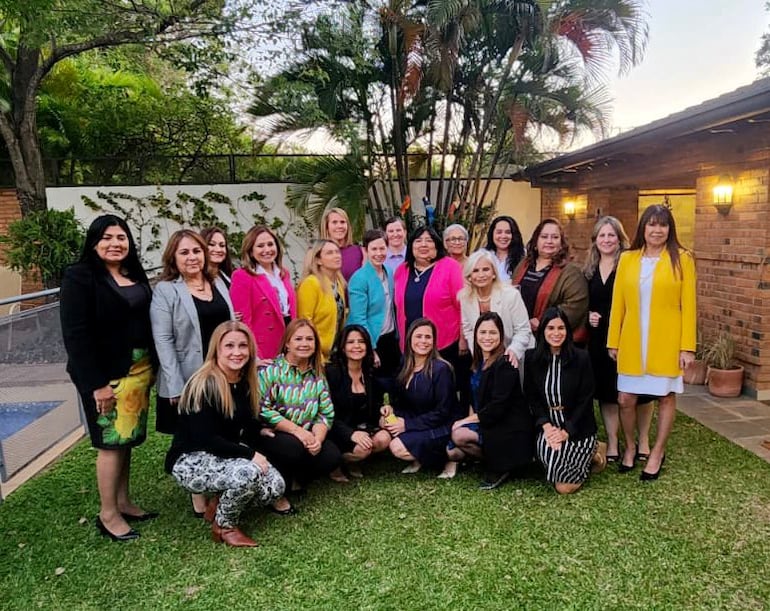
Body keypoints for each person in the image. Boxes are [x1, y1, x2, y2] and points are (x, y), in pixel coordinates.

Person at [60, 214, 157, 541]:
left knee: (126, 440)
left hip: (139, 371)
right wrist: (96, 384)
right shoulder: (80, 277)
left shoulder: (133, 274)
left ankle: (124, 501)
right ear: (94, 242)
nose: (115, 244)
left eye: (121, 238)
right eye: (107, 238)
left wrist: (152, 366)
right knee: (111, 444)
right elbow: (76, 335)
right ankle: (108, 513)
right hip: (107, 376)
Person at [165, 321, 285, 548]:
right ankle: (225, 525)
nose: (237, 352)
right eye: (229, 346)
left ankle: (220, 501)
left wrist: (259, 429)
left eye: (242, 345)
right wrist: (251, 454)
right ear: (217, 350)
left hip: (222, 455)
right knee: (250, 472)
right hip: (191, 459)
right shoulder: (204, 384)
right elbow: (206, 439)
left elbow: (244, 420)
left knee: (275, 486)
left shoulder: (244, 380)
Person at [607, 204, 697, 480]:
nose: (657, 230)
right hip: (632, 339)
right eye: (651, 224)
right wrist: (613, 340)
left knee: (665, 396)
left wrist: (687, 347)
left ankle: (657, 452)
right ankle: (631, 447)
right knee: (625, 398)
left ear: (670, 229)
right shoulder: (628, 259)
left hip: (666, 339)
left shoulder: (682, 259)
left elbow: (689, 305)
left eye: (663, 225)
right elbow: (617, 304)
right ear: (642, 228)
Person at [151, 230, 234, 517]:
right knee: (193, 435)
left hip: (222, 374)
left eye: (196, 251)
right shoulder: (166, 290)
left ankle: (218, 484)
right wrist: (175, 384)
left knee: (219, 429)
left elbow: (231, 325)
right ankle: (198, 496)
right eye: (184, 252)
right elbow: (163, 340)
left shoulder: (219, 283)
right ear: (173, 257)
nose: (192, 257)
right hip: (187, 377)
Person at [584, 216, 653, 464]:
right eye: (601, 235)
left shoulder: (632, 263)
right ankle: (613, 442)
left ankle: (642, 440)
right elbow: (585, 301)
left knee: (640, 391)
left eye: (611, 235)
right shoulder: (589, 269)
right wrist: (587, 315)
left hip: (629, 335)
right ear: (595, 240)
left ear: (620, 238)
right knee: (607, 391)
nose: (606, 240)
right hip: (599, 339)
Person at [445, 312, 535, 488]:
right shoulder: (477, 363)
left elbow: (497, 407)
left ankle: (502, 465)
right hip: (484, 421)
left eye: (492, 333)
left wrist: (464, 422)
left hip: (506, 427)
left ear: (501, 335)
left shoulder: (506, 363)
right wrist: (468, 422)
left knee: (459, 434)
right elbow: (473, 399)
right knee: (452, 452)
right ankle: (491, 458)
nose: (487, 337)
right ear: (476, 335)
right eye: (483, 332)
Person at [523, 307, 605, 494]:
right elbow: (532, 397)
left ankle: (593, 452)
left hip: (576, 427)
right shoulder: (532, 358)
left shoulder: (581, 358)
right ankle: (584, 456)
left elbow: (585, 401)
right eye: (550, 328)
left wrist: (566, 431)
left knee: (564, 487)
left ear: (567, 331)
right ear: (543, 331)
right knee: (551, 457)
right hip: (548, 425)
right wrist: (546, 426)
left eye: (561, 328)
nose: (556, 333)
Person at [255, 319, 342, 494]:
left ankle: (298, 477)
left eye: (309, 339)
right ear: (287, 343)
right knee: (293, 448)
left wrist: (317, 438)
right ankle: (281, 477)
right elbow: (262, 409)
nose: (304, 344)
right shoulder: (270, 371)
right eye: (298, 339)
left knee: (331, 455)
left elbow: (325, 413)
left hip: (308, 433)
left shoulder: (317, 375)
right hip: (276, 433)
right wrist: (297, 431)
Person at [379, 318, 460, 475]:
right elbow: (401, 401)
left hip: (441, 425)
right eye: (419, 336)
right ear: (409, 339)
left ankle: (449, 455)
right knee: (384, 424)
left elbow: (443, 412)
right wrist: (390, 411)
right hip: (418, 420)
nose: (423, 341)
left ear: (434, 341)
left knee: (397, 447)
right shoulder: (405, 364)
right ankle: (419, 453)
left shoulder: (441, 369)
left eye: (428, 337)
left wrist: (407, 425)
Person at [325, 325, 391, 480]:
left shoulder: (369, 372)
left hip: (362, 427)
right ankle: (335, 463)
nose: (356, 346)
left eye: (361, 341)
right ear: (342, 347)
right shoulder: (331, 373)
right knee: (362, 449)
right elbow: (326, 415)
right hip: (336, 430)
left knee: (384, 438)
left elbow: (374, 407)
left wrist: (383, 411)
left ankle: (354, 461)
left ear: (367, 346)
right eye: (350, 342)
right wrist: (351, 434)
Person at [512, 218, 589, 342]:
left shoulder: (571, 272)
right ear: (536, 241)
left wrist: (543, 321)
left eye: (555, 237)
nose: (549, 241)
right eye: (544, 236)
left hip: (551, 339)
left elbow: (575, 305)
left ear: (562, 243)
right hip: (520, 336)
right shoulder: (523, 265)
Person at [230, 225, 297, 360]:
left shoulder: (284, 274)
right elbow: (244, 322)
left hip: (288, 342)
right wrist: (255, 356)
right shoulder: (242, 276)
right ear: (250, 251)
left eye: (270, 244)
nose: (267, 250)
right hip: (263, 347)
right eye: (260, 246)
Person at [459, 250, 532, 367]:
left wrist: (513, 351)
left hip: (515, 354)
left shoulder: (511, 295)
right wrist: (479, 354)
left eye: (486, 269)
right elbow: (468, 329)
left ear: (494, 273)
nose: (481, 275)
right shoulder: (465, 298)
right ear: (469, 276)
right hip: (485, 358)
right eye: (475, 271)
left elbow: (523, 329)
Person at [347, 229, 400, 380]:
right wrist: (371, 349)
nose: (379, 253)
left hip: (390, 337)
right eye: (374, 249)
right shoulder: (359, 278)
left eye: (382, 248)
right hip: (371, 339)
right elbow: (359, 318)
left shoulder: (389, 272)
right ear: (365, 250)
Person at [296, 239, 347, 360]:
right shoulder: (311, 283)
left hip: (335, 353)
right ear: (318, 260)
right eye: (330, 253)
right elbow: (305, 322)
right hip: (316, 355)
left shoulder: (338, 283)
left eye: (337, 252)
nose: (336, 256)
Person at [320, 207, 365, 281]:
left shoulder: (359, 251)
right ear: (326, 227)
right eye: (334, 222)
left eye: (342, 222)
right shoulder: (318, 253)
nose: (339, 226)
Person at [485, 215, 525, 283]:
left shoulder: (524, 257)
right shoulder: (483, 255)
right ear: (492, 234)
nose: (503, 236)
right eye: (499, 232)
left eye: (508, 232)